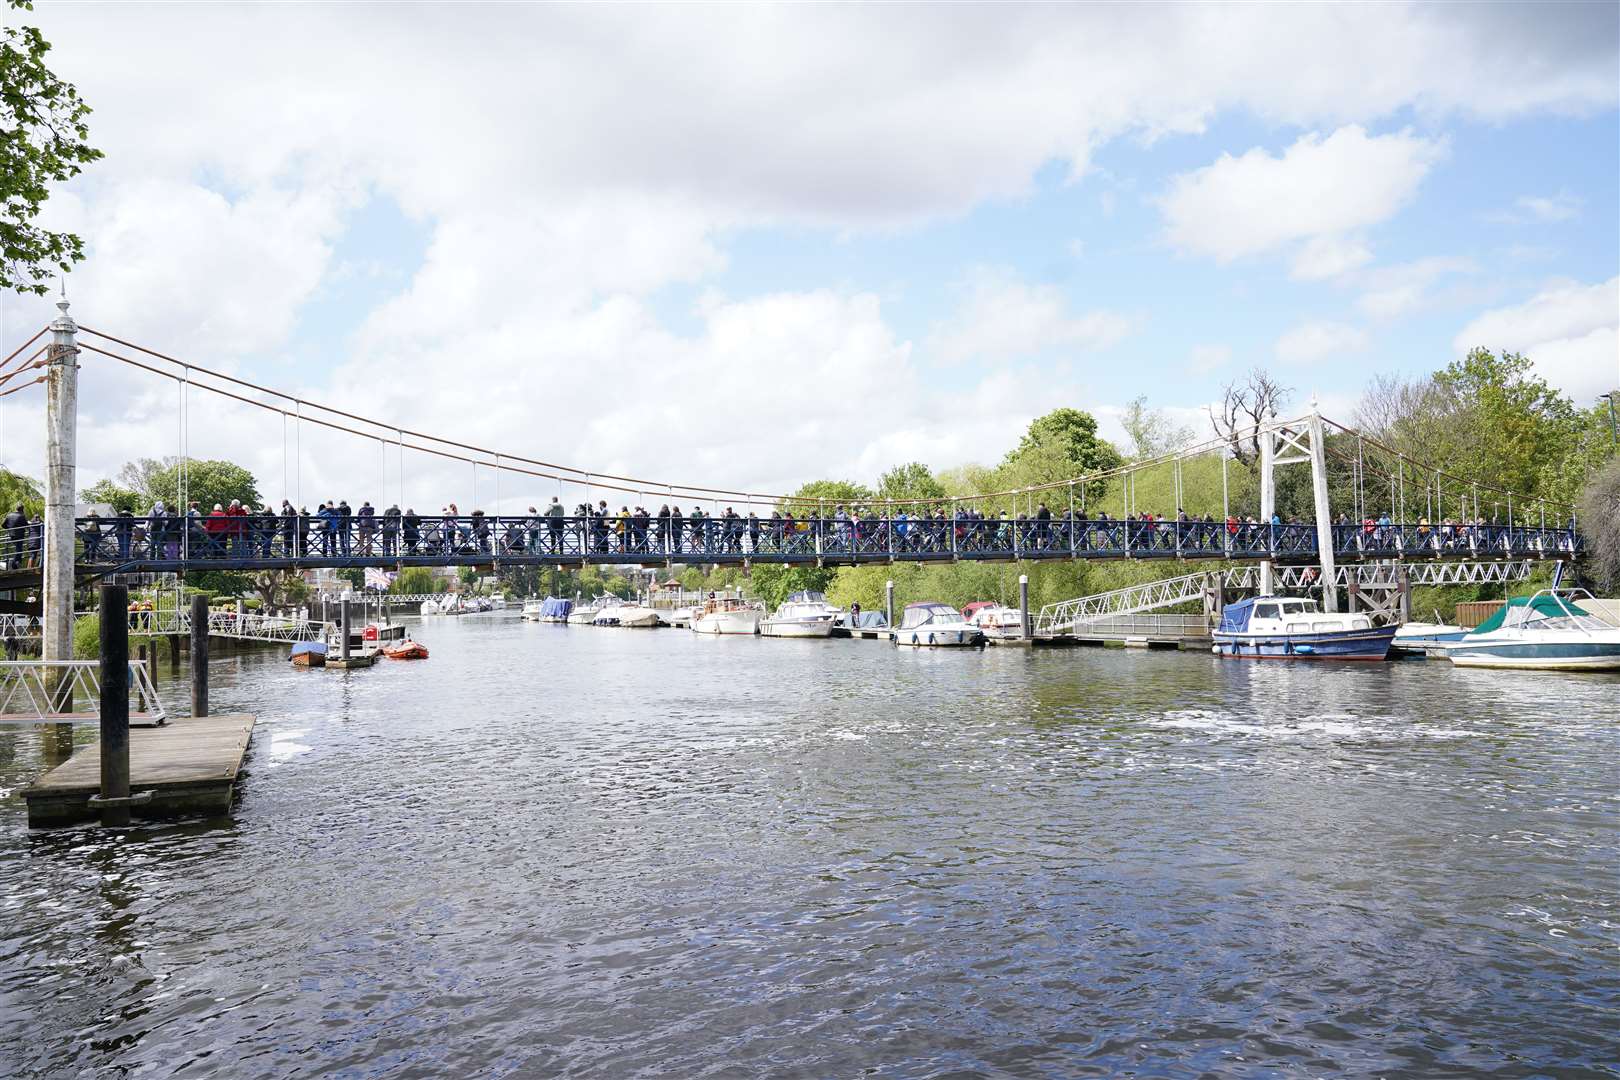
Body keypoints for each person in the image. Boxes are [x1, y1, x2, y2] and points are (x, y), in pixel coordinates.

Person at [2, 503, 26, 569]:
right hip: (19, 535)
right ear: (22, 509)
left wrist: (10, 529)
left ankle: (17, 563)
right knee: (19, 550)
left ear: (16, 508)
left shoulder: (9, 515)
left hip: (12, 535)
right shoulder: (22, 516)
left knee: (18, 549)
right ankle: (14, 563)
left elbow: (3, 525)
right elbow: (26, 525)